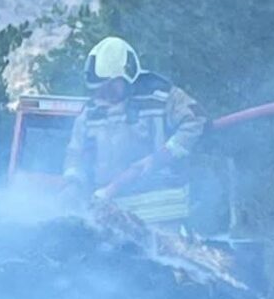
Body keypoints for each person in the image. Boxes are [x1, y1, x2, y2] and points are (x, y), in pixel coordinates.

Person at [63, 36, 206, 224]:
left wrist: (163, 155)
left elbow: (197, 120)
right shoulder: (90, 112)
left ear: (126, 75)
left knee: (160, 254)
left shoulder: (161, 96)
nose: (104, 94)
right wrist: (73, 184)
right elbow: (75, 155)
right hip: (110, 212)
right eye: (98, 89)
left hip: (161, 209)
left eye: (110, 86)